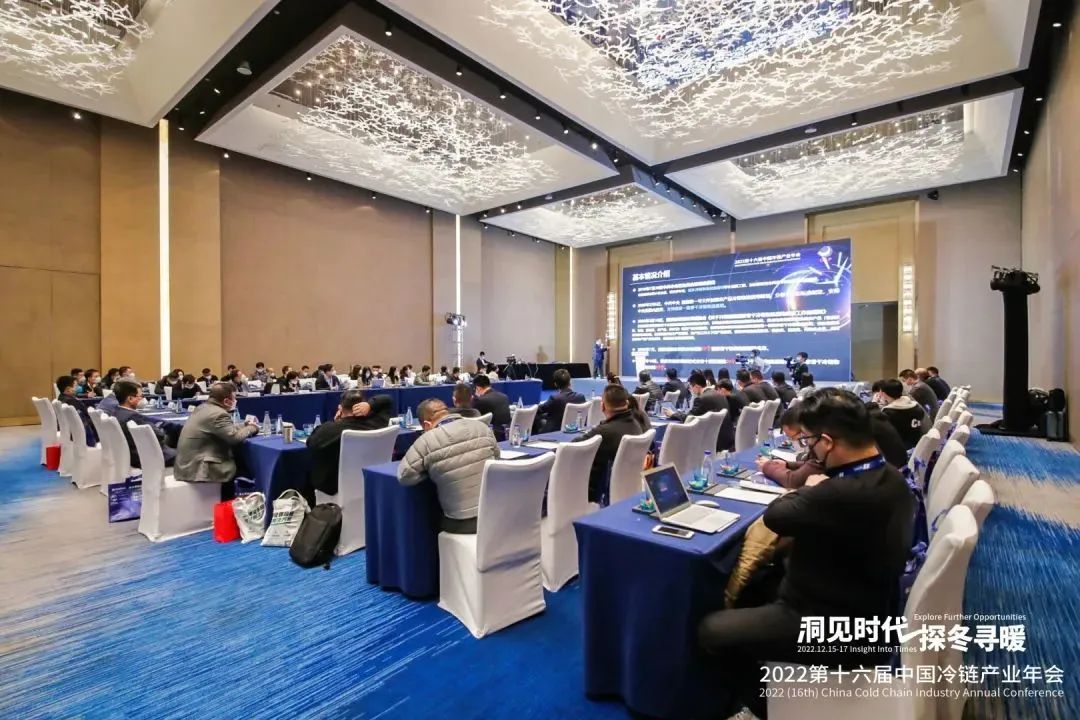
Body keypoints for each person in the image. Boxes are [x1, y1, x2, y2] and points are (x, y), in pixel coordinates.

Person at [697, 389, 914, 718]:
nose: (809, 449)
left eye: (810, 442)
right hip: (867, 604)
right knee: (755, 586)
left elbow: (777, 515)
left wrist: (814, 485)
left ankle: (770, 707)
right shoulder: (891, 478)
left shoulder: (840, 493)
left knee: (712, 630)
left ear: (827, 442)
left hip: (830, 624)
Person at [398, 398, 500, 533]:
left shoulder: (426, 441)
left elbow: (404, 475)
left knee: (427, 518)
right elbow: (496, 458)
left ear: (427, 425)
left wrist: (431, 471)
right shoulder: (482, 427)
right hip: (495, 514)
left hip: (462, 522)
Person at [174, 382, 259, 499]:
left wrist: (243, 425)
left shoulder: (202, 408)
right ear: (226, 401)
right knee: (248, 467)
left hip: (186, 465)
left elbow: (223, 429)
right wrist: (252, 428)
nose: (235, 401)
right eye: (234, 398)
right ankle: (232, 502)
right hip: (200, 468)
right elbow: (234, 438)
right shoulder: (218, 414)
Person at [306, 389, 394, 495]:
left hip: (339, 487)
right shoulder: (379, 423)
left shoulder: (329, 430)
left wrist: (337, 422)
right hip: (373, 481)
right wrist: (370, 404)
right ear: (364, 405)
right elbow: (387, 400)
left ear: (340, 408)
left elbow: (310, 443)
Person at [572, 384, 649, 503]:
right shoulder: (636, 424)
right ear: (627, 403)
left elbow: (573, 447)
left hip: (593, 491)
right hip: (628, 487)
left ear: (602, 406)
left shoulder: (605, 432)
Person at [755, 406, 823, 489]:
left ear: (804, 431)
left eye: (792, 437)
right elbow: (809, 464)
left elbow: (793, 481)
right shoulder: (816, 445)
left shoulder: (821, 448)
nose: (792, 441)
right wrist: (787, 465)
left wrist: (767, 466)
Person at [111, 380, 175, 468]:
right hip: (147, 456)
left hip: (131, 453)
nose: (143, 399)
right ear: (130, 399)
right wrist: (158, 427)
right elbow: (159, 436)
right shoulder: (133, 417)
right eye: (141, 396)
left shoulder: (115, 411)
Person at [664, 371, 735, 451]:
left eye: (690, 387)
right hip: (728, 439)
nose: (690, 390)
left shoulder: (702, 399)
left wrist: (673, 414)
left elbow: (689, 418)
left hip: (715, 442)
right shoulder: (718, 394)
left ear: (697, 387)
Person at [873, 378, 928, 450]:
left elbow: (874, 426)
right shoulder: (916, 406)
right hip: (916, 446)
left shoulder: (889, 412)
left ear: (883, 394)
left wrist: (873, 403)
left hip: (900, 450)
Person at [535, 368, 587, 434]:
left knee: (536, 418)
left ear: (555, 384)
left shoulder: (555, 399)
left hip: (554, 433)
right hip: (574, 431)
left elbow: (539, 410)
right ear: (570, 382)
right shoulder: (581, 397)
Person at [56, 375, 97, 444]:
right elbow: (88, 415)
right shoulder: (72, 401)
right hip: (80, 433)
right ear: (68, 389)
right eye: (76, 386)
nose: (78, 388)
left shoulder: (61, 398)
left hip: (69, 430)